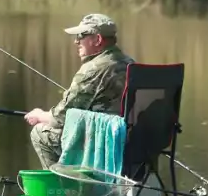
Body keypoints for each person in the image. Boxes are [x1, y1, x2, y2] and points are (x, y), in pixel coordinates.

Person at [24, 13, 134, 169]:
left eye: (81, 36)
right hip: (133, 142)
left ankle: (62, 190)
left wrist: (39, 115)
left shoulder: (93, 69)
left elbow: (61, 118)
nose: (76, 41)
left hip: (102, 143)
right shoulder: (130, 63)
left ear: (97, 39)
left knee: (40, 133)